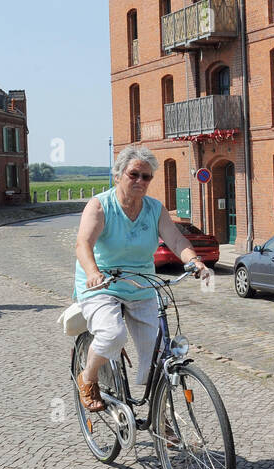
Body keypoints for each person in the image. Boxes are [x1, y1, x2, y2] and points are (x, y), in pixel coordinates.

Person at [75, 145, 211, 412]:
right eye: (134, 174)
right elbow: (83, 244)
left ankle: (162, 419)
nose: (140, 181)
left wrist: (194, 261)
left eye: (146, 177)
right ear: (118, 175)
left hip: (141, 285)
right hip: (103, 284)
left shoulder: (154, 209)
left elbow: (175, 239)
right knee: (113, 334)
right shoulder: (100, 206)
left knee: (160, 353)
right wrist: (92, 273)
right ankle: (88, 378)